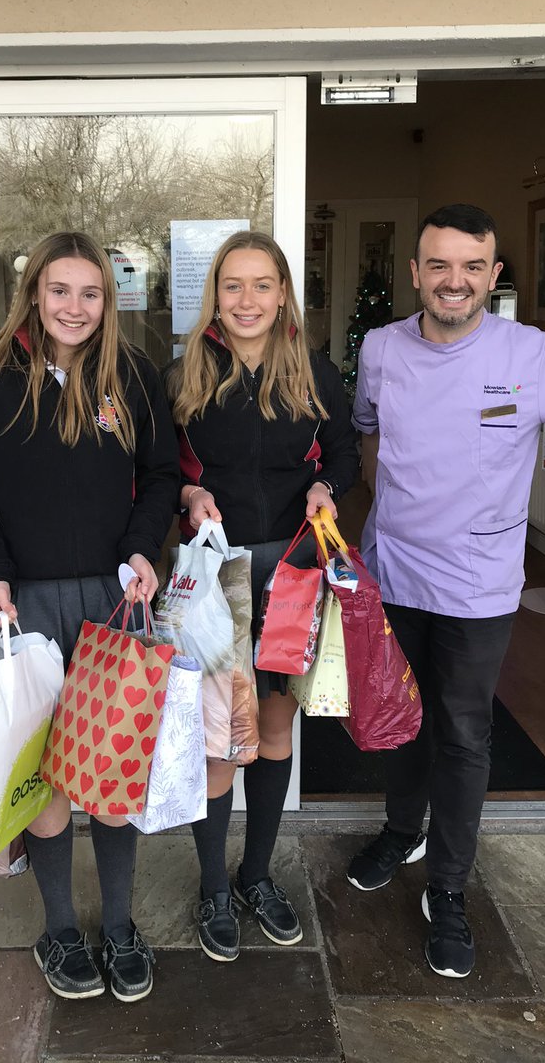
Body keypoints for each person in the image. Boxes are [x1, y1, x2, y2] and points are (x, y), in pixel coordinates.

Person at [346, 203, 545, 979]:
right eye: (439, 265)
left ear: (493, 275)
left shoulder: (530, 353)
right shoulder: (380, 348)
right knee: (396, 721)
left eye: (472, 267)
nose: (454, 281)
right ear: (416, 273)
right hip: (394, 569)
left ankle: (450, 889)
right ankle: (403, 831)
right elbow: (368, 432)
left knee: (463, 733)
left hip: (479, 583)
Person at [0, 230, 178, 1003]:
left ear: (107, 300)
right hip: (23, 605)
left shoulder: (136, 378)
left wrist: (147, 547)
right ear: (34, 294)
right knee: (44, 781)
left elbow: (159, 476)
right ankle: (58, 927)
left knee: (111, 772)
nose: (74, 307)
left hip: (114, 603)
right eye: (59, 291)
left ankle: (118, 925)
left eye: (90, 293)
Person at [166, 229, 358, 962]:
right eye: (233, 285)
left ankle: (256, 875)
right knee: (222, 740)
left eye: (262, 285)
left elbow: (344, 453)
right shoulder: (184, 373)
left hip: (290, 570)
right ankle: (213, 883)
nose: (247, 300)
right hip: (216, 572)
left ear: (283, 294)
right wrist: (186, 491)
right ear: (215, 294)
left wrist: (325, 486)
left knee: (274, 730)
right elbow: (157, 469)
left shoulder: (313, 369)